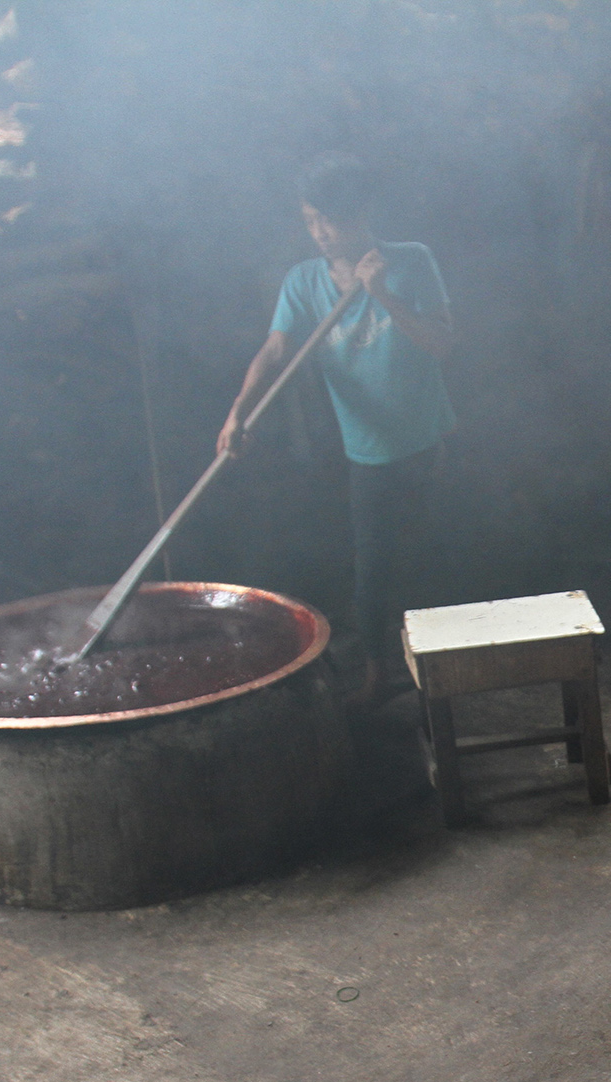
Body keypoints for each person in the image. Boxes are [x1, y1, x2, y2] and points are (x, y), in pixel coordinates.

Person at [218, 153, 456, 708]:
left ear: (364, 213)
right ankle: (378, 675)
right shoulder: (303, 282)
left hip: (426, 441)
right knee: (372, 570)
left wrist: (384, 294)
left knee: (435, 560)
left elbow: (442, 344)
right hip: (366, 450)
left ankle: (444, 675)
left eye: (333, 220)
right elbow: (275, 350)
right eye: (311, 222)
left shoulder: (412, 262)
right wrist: (238, 413)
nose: (322, 233)